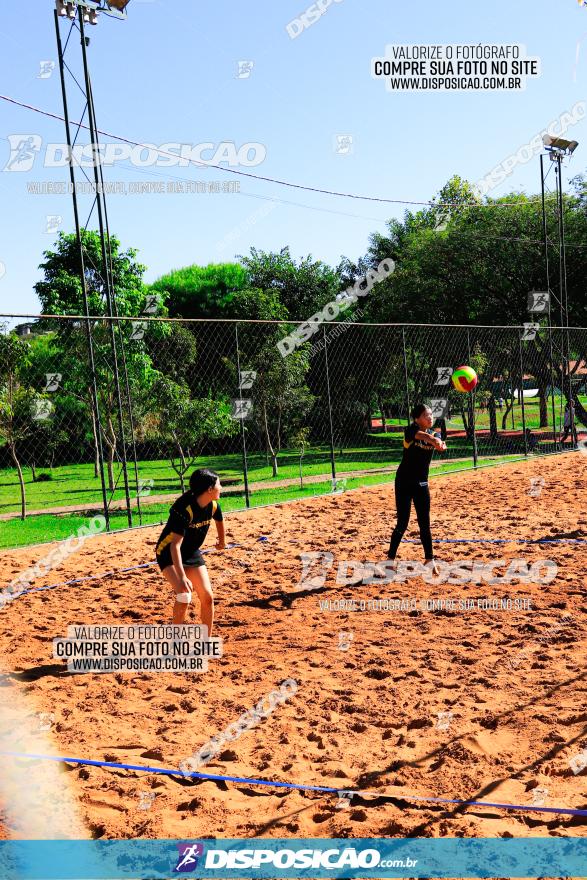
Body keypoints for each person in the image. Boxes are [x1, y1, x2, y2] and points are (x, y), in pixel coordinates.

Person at [155, 468, 225, 632]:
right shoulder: (184, 509)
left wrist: (222, 542)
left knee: (207, 597)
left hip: (191, 551)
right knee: (184, 594)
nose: (221, 487)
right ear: (209, 489)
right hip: (167, 552)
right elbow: (175, 546)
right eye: (218, 484)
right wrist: (182, 577)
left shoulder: (213, 505)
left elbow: (219, 520)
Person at [387, 404, 447, 572]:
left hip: (421, 482)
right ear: (417, 419)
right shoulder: (411, 431)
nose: (430, 417)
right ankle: (390, 560)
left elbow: (439, 441)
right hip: (404, 482)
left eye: (431, 415)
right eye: (426, 415)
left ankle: (430, 560)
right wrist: (434, 441)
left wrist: (440, 443)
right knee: (402, 522)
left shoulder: (435, 433)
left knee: (424, 523)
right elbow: (422, 436)